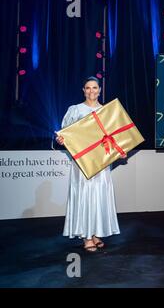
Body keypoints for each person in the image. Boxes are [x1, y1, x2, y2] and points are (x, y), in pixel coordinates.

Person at [56, 76, 125, 252]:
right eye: (88, 88)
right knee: (85, 194)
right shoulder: (75, 110)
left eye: (95, 88)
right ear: (83, 90)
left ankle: (96, 233)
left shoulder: (108, 112)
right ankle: (86, 236)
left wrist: (120, 149)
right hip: (82, 163)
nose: (91, 91)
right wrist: (61, 139)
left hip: (101, 163)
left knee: (99, 195)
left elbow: (116, 136)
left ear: (100, 90)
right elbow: (65, 133)